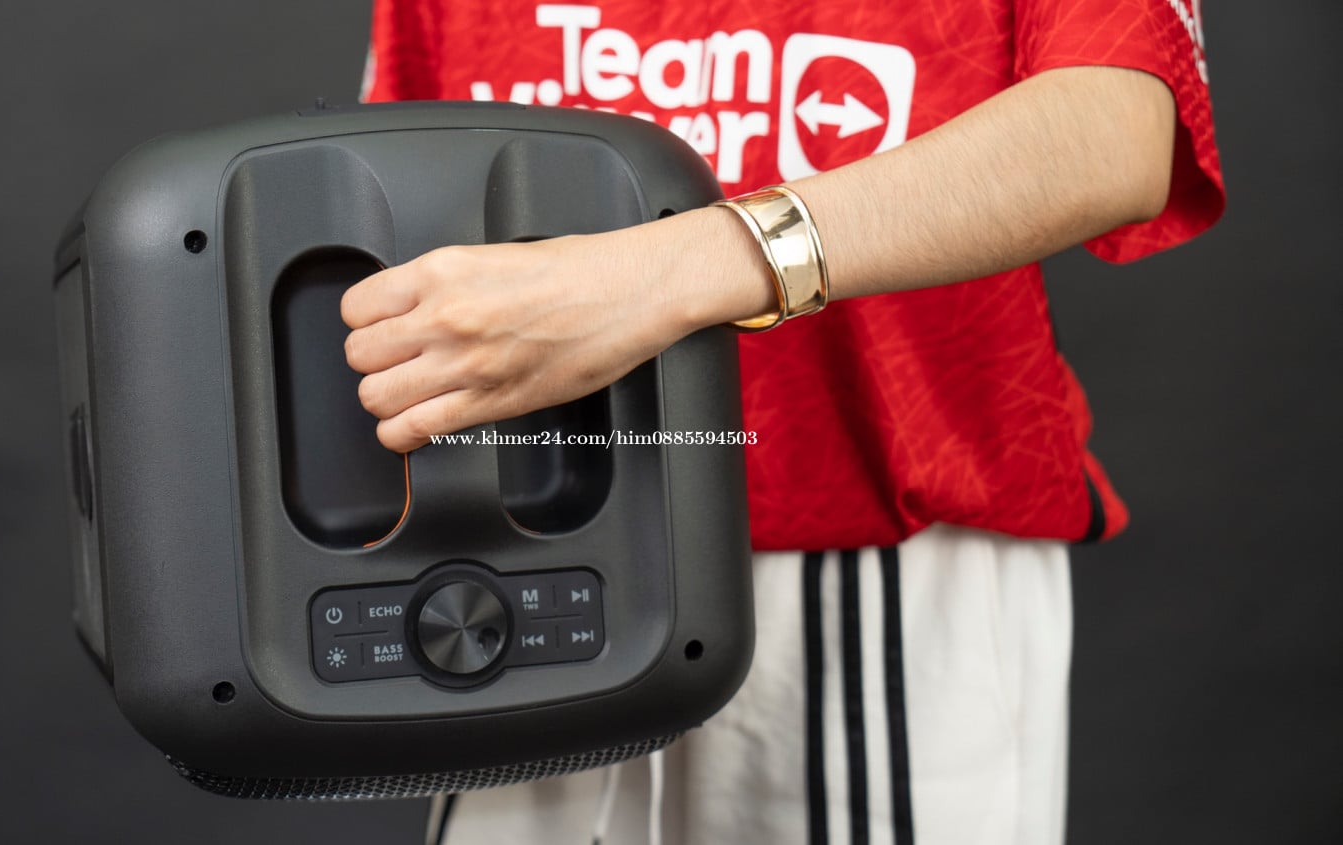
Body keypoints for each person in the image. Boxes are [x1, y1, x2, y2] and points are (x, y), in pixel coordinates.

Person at [344, 2, 1224, 843]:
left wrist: (655, 277)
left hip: (880, 545)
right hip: (526, 556)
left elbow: (1115, 134)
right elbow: (393, 185)